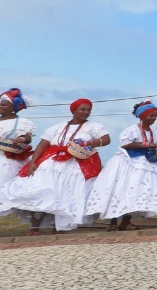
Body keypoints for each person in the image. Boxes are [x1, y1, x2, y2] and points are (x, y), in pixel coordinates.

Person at [2, 97, 108, 234]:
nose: (86, 112)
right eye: (83, 109)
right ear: (74, 110)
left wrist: (90, 143)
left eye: (88, 110)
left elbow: (106, 139)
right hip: (50, 163)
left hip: (75, 164)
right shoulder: (58, 127)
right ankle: (34, 226)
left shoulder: (93, 126)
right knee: (39, 190)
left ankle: (58, 227)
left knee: (64, 195)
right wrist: (33, 162)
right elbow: (42, 145)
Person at [86, 100, 157, 230]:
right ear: (142, 116)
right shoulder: (131, 130)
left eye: (155, 115)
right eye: (151, 115)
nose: (153, 118)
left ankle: (126, 221)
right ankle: (113, 222)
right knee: (120, 189)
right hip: (128, 163)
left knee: (136, 191)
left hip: (145, 165)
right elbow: (125, 144)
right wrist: (145, 144)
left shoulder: (156, 132)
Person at [0, 89, 36, 204]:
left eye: (4, 104)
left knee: (5, 192)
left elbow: (28, 137)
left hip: (7, 161)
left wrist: (22, 139)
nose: (0, 106)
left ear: (13, 107)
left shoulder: (22, 122)